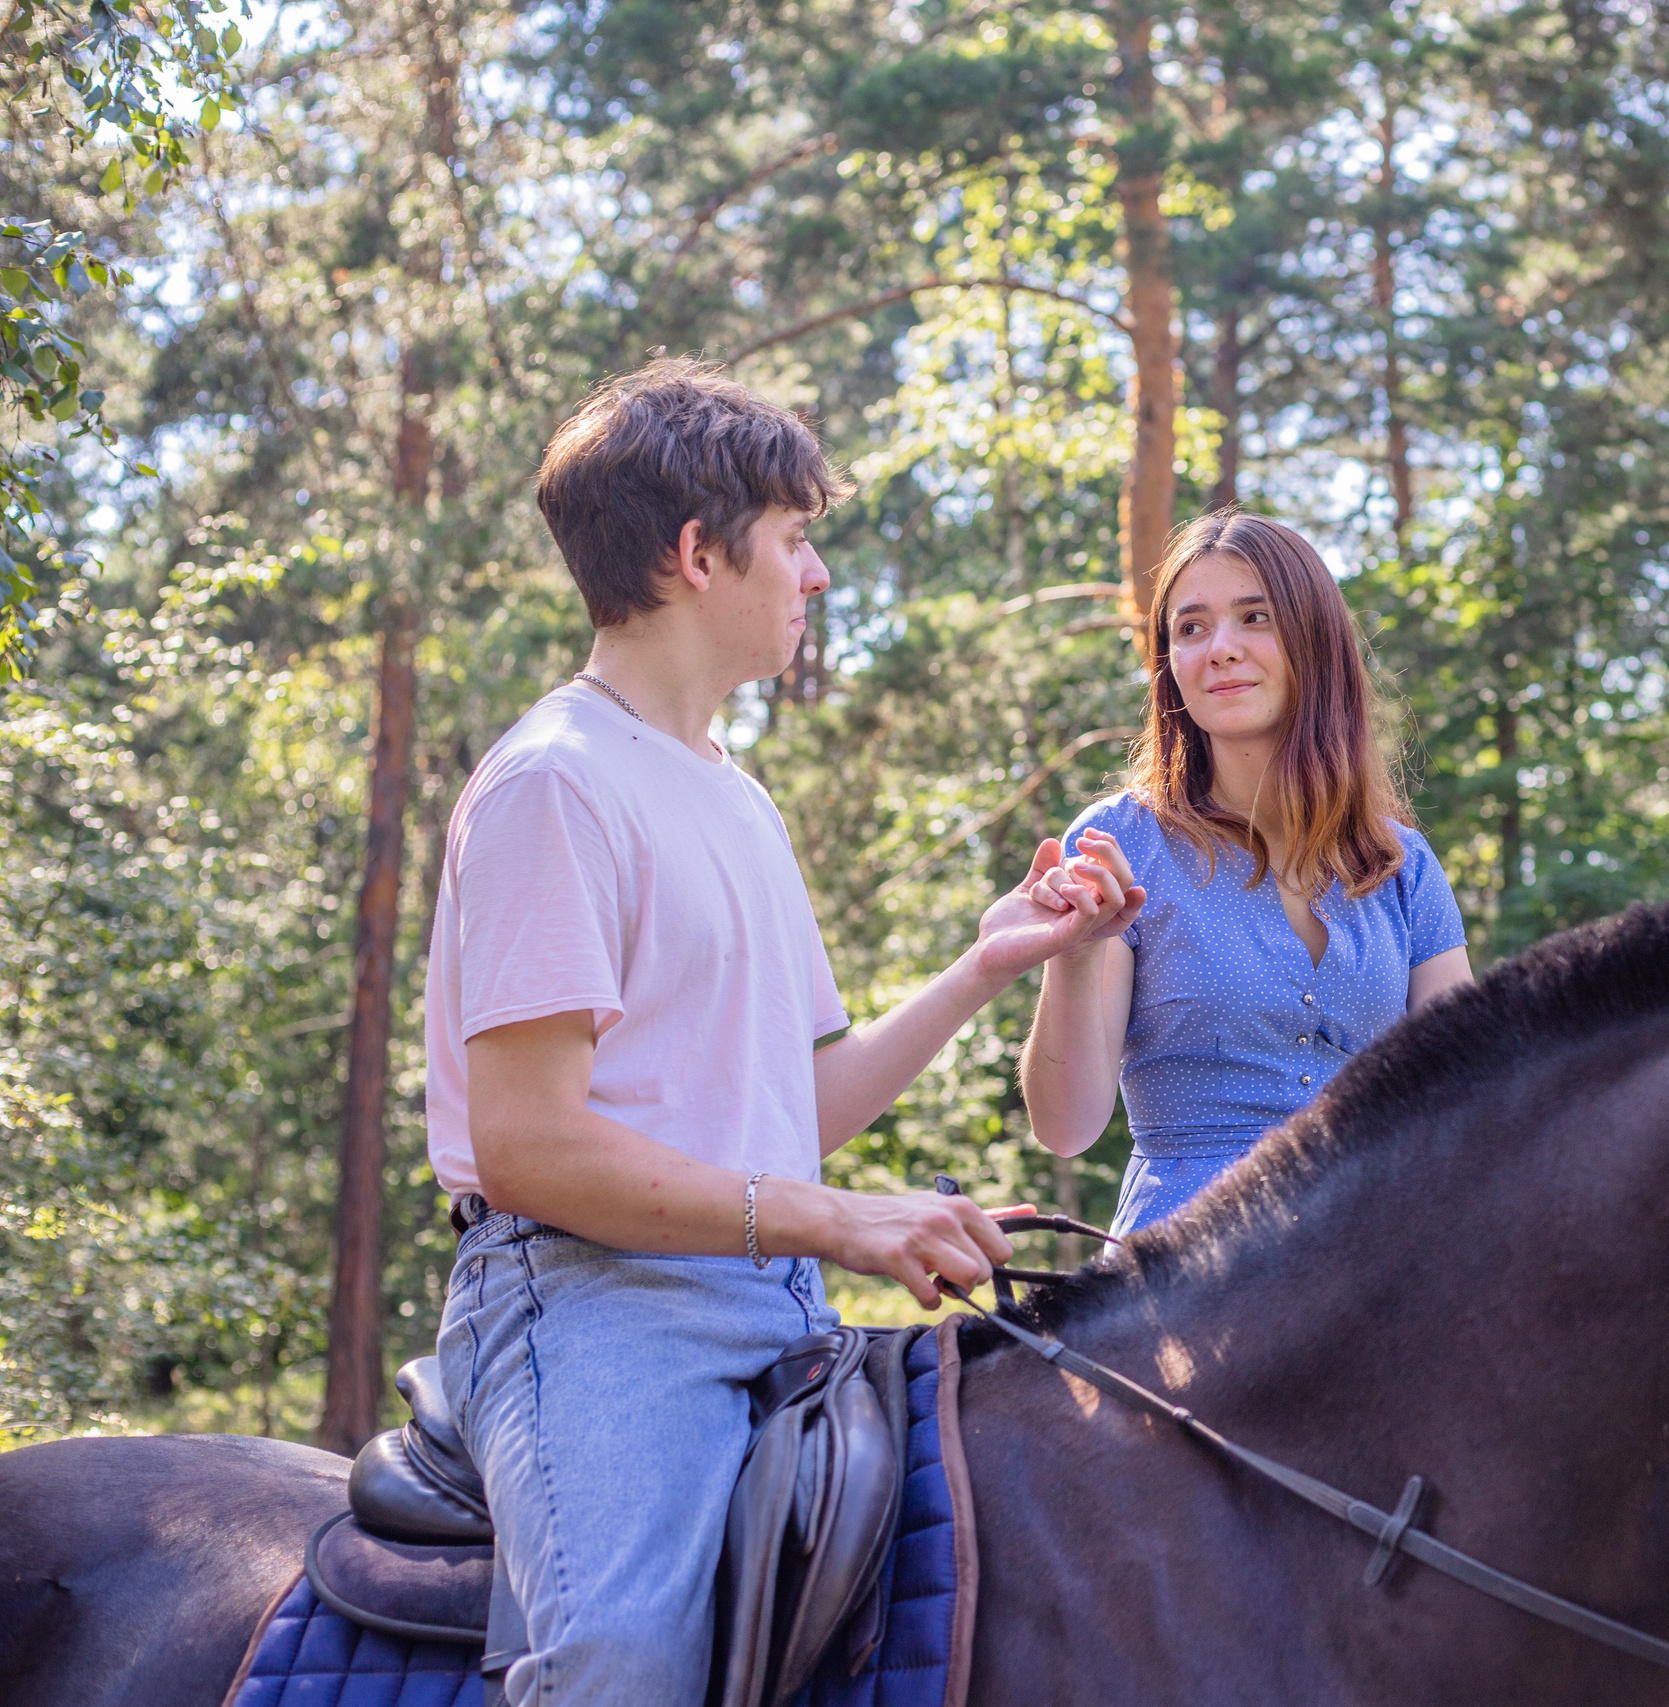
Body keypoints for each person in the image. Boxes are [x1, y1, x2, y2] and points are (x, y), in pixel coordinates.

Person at [423, 358, 1141, 1707]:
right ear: (699, 553)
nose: (815, 578)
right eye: (797, 541)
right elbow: (524, 1146)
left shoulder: (732, 797)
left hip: (767, 1292)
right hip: (589, 1301)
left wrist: (987, 965)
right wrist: (838, 1220)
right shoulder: (554, 785)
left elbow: (782, 1113)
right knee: (617, 1666)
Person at [1019, 511, 1471, 1235]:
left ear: (1313, 641)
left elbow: (1467, 1095)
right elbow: (1066, 1127)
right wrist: (1071, 958)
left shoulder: (1403, 865)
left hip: (1379, 1251)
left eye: (1253, 617)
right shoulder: (1118, 844)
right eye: (1191, 628)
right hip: (1187, 1271)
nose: (1220, 649)